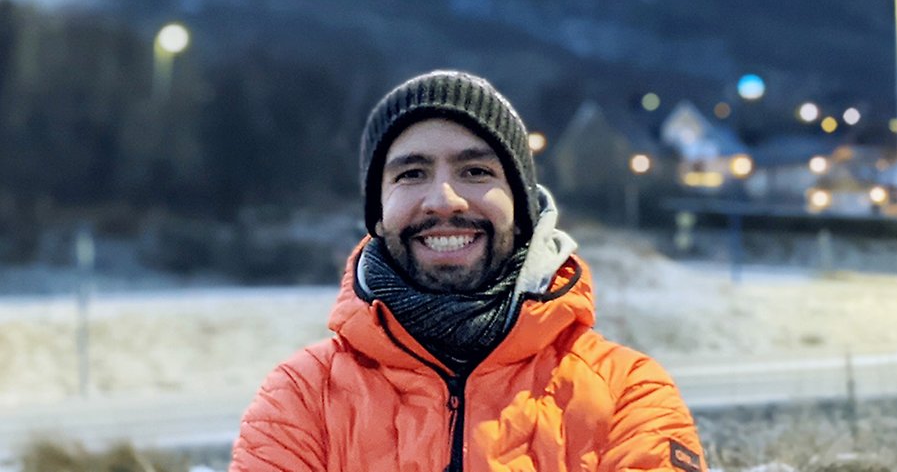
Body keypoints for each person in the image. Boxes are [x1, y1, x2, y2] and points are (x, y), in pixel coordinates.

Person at [230, 70, 706, 472]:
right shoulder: (301, 398)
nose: (444, 200)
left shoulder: (626, 392)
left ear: (520, 208)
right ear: (377, 213)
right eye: (411, 174)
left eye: (476, 172)